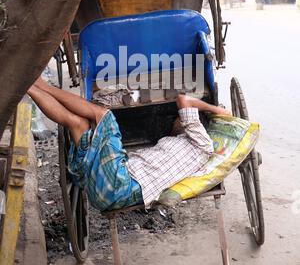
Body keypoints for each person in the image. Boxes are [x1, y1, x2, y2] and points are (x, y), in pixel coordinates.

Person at [28, 78, 231, 211]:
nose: (177, 120)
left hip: (120, 185)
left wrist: (216, 110)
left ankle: (44, 86)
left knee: (103, 115)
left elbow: (183, 99)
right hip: (103, 194)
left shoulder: (202, 143)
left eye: (179, 119)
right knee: (78, 124)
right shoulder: (185, 147)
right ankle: (29, 87)